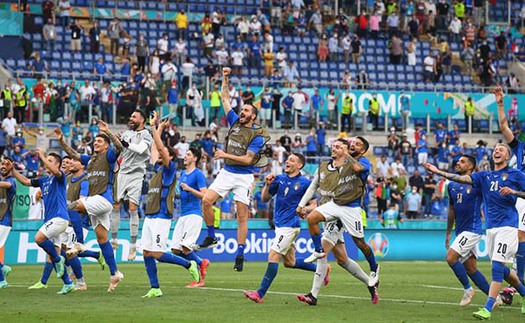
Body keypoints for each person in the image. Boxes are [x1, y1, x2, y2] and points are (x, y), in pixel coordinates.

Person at [424, 143, 525, 320]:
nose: (497, 151)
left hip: (508, 227)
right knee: (503, 270)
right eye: (495, 149)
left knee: (496, 268)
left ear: (508, 156)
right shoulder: (484, 177)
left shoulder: (515, 174)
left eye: (501, 149)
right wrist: (438, 172)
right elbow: (461, 179)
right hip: (492, 228)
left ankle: (488, 307)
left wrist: (514, 191)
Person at [196, 67, 269, 272]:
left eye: (246, 110)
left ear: (253, 116)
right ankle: (211, 235)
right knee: (206, 200)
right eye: (242, 110)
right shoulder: (234, 122)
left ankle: (240, 253)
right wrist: (225, 77)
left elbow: (247, 160)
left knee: (241, 217)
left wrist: (225, 155)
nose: (242, 112)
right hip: (227, 173)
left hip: (243, 177)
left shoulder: (257, 136)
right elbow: (225, 96)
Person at [296, 138, 380, 305]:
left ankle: (374, 268)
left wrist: (347, 153)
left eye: (356, 144)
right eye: (333, 146)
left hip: (350, 210)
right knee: (342, 259)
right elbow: (315, 186)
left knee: (357, 244)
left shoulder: (361, 162)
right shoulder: (327, 166)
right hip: (332, 206)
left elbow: (357, 168)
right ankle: (370, 285)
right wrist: (303, 205)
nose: (334, 149)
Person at [243, 153, 324, 303]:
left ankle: (259, 294)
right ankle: (321, 270)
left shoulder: (305, 183)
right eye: (287, 159)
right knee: (290, 263)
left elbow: (314, 205)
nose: (287, 161)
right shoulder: (279, 179)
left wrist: (304, 209)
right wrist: (267, 185)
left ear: (299, 165)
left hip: (290, 226)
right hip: (279, 226)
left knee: (273, 255)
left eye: (292, 160)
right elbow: (264, 198)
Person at [55, 124, 123, 293]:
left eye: (99, 141)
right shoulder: (90, 160)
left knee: (72, 205)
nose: (96, 143)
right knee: (102, 240)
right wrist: (62, 142)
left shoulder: (108, 156)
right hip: (97, 203)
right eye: (95, 141)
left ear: (106, 145)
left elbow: (120, 147)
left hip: (103, 199)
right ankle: (114, 273)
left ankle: (80, 243)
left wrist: (107, 131)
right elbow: (74, 155)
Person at [141, 113, 200, 298]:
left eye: (162, 152)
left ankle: (188, 264)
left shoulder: (169, 169)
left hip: (162, 215)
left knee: (157, 253)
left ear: (167, 155)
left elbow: (159, 147)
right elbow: (154, 149)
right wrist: (157, 127)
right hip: (150, 215)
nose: (158, 154)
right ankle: (155, 288)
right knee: (146, 253)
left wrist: (155, 129)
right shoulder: (157, 169)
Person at [10, 149, 74, 294]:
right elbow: (26, 181)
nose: (47, 163)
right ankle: (67, 283)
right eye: (47, 161)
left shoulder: (60, 176)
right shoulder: (44, 180)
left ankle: (59, 260)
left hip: (59, 218)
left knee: (39, 239)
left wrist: (42, 156)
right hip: (52, 221)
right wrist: (12, 170)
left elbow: (55, 171)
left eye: (51, 161)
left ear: (58, 165)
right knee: (52, 255)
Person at [445, 154, 491, 306]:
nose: (458, 163)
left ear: (470, 166)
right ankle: (494, 297)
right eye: (458, 161)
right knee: (471, 269)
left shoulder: (477, 183)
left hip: (472, 229)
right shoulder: (451, 185)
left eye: (462, 162)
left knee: (451, 258)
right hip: (460, 231)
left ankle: (468, 289)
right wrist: (448, 233)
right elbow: (452, 210)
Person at [109, 110, 152, 260]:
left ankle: (133, 246)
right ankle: (113, 240)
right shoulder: (126, 134)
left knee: (133, 208)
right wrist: (113, 137)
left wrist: (124, 143)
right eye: (131, 116)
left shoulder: (147, 135)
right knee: (115, 205)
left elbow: (141, 149)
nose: (131, 118)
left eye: (134, 116)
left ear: (142, 119)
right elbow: (120, 149)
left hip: (136, 174)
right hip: (122, 172)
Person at [495, 87, 525, 286]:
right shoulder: (520, 147)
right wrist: (499, 104)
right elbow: (504, 126)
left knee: (521, 235)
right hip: (521, 195)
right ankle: (518, 284)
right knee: (519, 235)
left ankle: (518, 284)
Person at [170, 142, 209, 288]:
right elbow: (183, 194)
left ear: (195, 159)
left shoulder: (198, 174)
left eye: (188, 155)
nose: (185, 157)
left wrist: (189, 189)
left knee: (186, 247)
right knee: (175, 249)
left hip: (194, 214)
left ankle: (199, 276)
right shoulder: (182, 175)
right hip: (183, 215)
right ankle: (200, 262)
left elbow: (204, 195)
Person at [0, 157, 16, 288]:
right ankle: (2, 267)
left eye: (7, 164)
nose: (3, 166)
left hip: (4, 221)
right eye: (2, 163)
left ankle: (2, 280)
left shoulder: (12, 181)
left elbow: (7, 185)